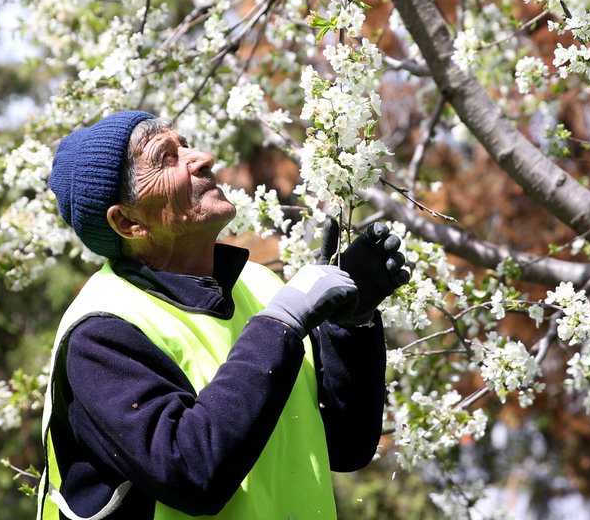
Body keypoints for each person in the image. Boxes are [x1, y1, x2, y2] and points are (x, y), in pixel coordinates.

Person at [37, 110, 410, 519]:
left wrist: (349, 325)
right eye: (166, 157)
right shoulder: (102, 333)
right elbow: (190, 473)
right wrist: (282, 325)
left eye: (185, 145)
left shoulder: (261, 286)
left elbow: (346, 446)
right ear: (128, 221)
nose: (203, 157)